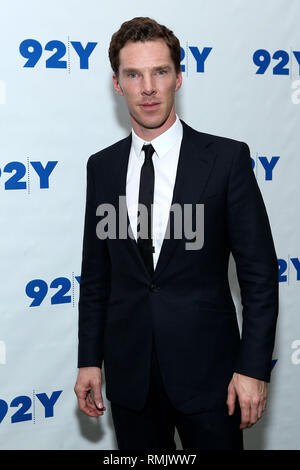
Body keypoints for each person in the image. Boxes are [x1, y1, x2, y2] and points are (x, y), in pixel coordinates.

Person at [74, 17, 278, 450]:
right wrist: (89, 360)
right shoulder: (102, 167)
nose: (148, 87)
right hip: (131, 381)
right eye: (134, 74)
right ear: (117, 84)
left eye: (160, 72)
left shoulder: (225, 160)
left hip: (213, 381)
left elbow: (260, 277)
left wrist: (254, 369)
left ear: (179, 77)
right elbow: (96, 277)